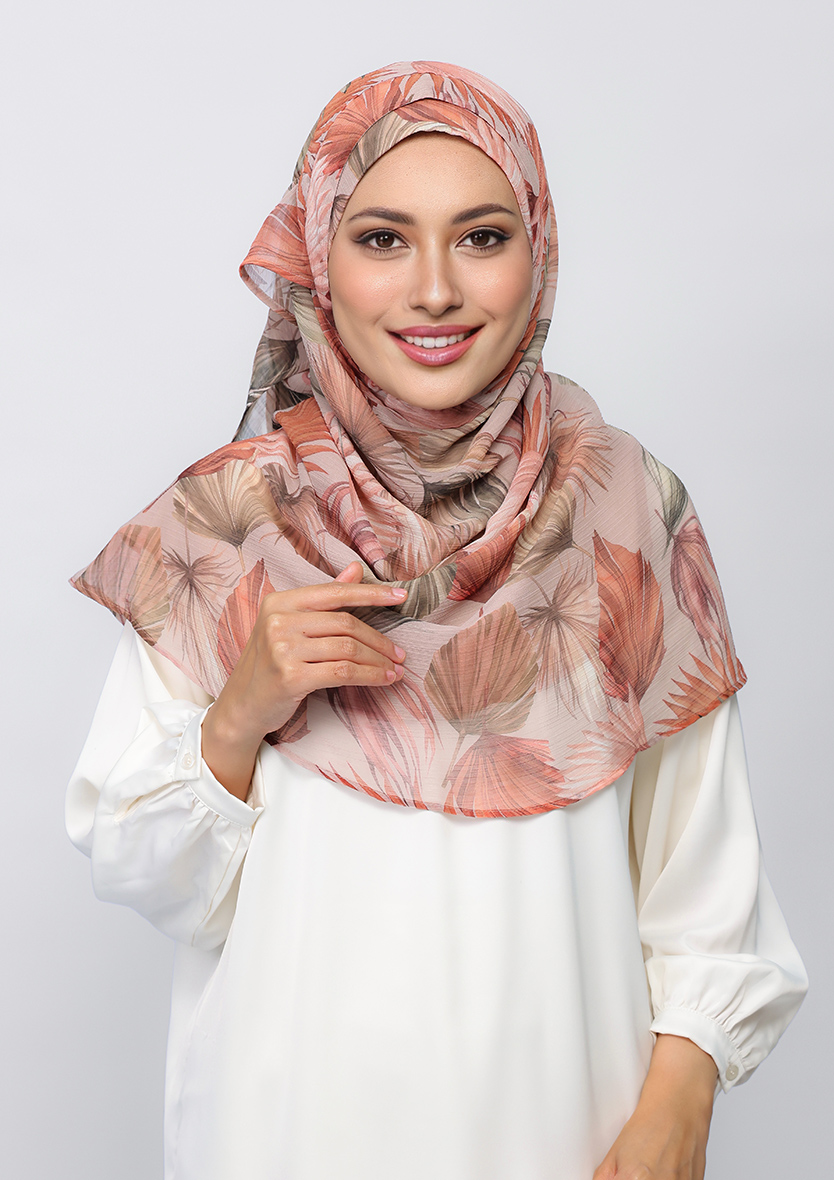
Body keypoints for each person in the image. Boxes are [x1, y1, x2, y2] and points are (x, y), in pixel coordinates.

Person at [67, 61, 807, 1180]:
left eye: (481, 237)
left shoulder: (623, 512)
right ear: (317, 258)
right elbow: (150, 876)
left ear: (537, 252)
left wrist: (682, 1097)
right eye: (381, 239)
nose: (434, 290)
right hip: (285, 1136)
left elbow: (703, 877)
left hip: (568, 1131)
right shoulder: (228, 523)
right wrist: (241, 713)